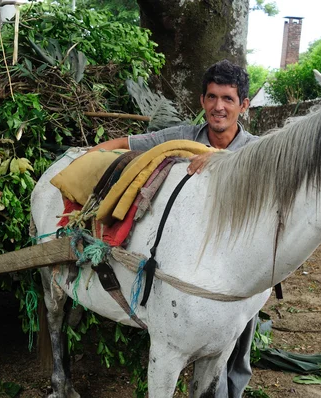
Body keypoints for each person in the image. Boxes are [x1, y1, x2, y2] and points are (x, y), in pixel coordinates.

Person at [92, 59, 259, 398]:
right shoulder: (183, 136)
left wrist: (220, 160)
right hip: (186, 254)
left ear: (244, 105)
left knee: (238, 335)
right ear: (202, 101)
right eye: (212, 97)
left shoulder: (257, 152)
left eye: (228, 99)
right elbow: (130, 144)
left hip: (235, 262)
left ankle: (230, 389)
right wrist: (89, 155)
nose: (218, 107)